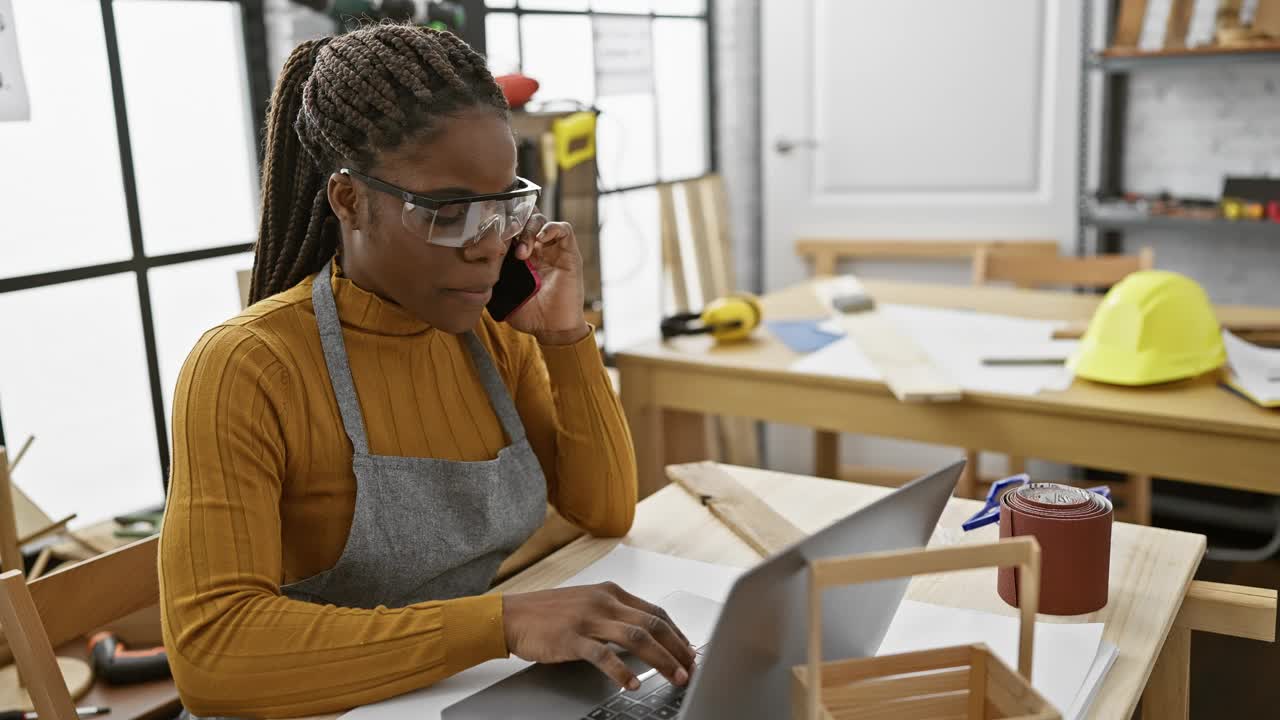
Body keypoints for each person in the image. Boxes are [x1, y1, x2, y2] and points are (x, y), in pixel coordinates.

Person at [158, 22, 693, 718]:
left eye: (503, 208)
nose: (487, 248)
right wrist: (500, 623)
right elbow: (211, 655)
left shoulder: (489, 337)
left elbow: (606, 510)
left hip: (444, 694)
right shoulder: (248, 366)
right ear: (348, 200)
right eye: (447, 213)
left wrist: (566, 337)